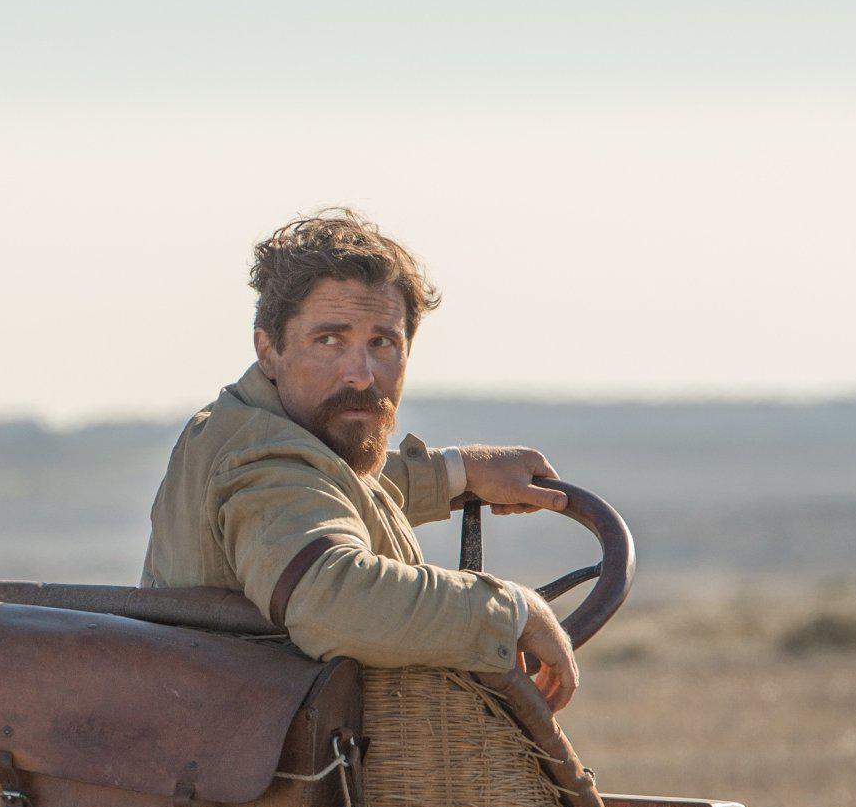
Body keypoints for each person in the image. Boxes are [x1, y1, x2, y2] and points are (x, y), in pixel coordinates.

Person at [142, 209, 584, 710]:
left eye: (382, 343)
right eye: (329, 340)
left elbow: (331, 486)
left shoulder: (259, 429)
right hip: (282, 774)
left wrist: (460, 472)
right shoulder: (261, 462)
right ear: (269, 351)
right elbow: (331, 598)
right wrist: (510, 612)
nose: (361, 374)